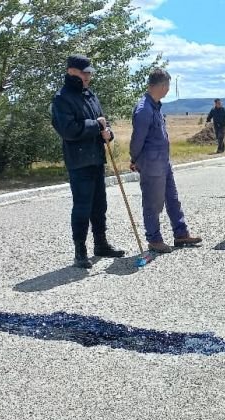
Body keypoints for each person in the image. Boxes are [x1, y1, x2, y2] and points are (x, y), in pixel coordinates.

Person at [51, 54, 124, 269]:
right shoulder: (61, 98)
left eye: (89, 73)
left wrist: (108, 133)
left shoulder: (90, 95)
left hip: (96, 158)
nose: (88, 76)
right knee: (82, 206)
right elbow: (68, 130)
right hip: (79, 161)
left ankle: (100, 244)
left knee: (100, 205)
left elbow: (103, 121)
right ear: (71, 71)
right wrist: (96, 126)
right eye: (84, 72)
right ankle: (80, 251)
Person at [130, 68, 202, 253]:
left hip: (163, 161)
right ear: (162, 86)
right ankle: (154, 239)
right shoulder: (144, 109)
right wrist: (134, 159)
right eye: (168, 86)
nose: (168, 90)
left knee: (172, 198)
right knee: (153, 202)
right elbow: (137, 139)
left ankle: (181, 234)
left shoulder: (154, 106)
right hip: (152, 163)